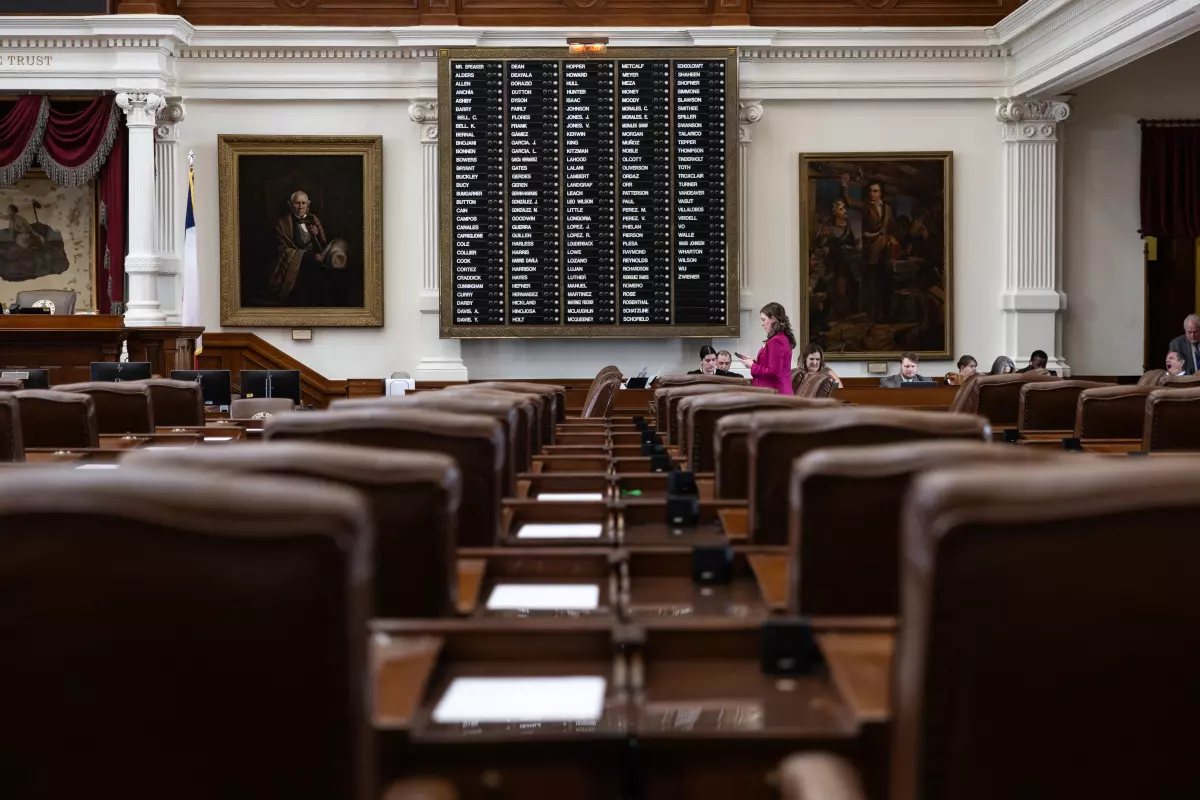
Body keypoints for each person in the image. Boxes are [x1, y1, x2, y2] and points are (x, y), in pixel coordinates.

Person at [739, 302, 796, 394]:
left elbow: (774, 373)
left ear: (772, 319)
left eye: (763, 319)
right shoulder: (780, 338)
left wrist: (752, 366)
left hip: (775, 395)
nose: (762, 324)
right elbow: (771, 365)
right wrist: (753, 362)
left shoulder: (776, 341)